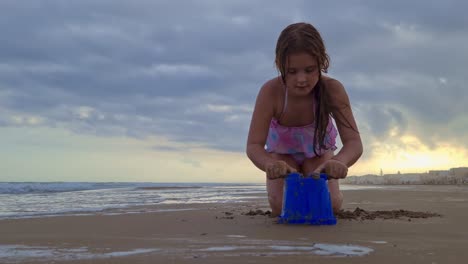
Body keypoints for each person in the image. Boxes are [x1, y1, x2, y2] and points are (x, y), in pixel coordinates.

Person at [246, 22, 363, 216]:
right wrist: (269, 165)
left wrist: (340, 162)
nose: (301, 79)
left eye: (309, 70)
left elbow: (354, 142)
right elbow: (254, 146)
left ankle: (335, 196)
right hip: (282, 157)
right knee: (280, 207)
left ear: (321, 62)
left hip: (318, 154)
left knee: (330, 205)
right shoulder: (271, 92)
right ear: (279, 65)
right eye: (292, 71)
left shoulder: (332, 90)